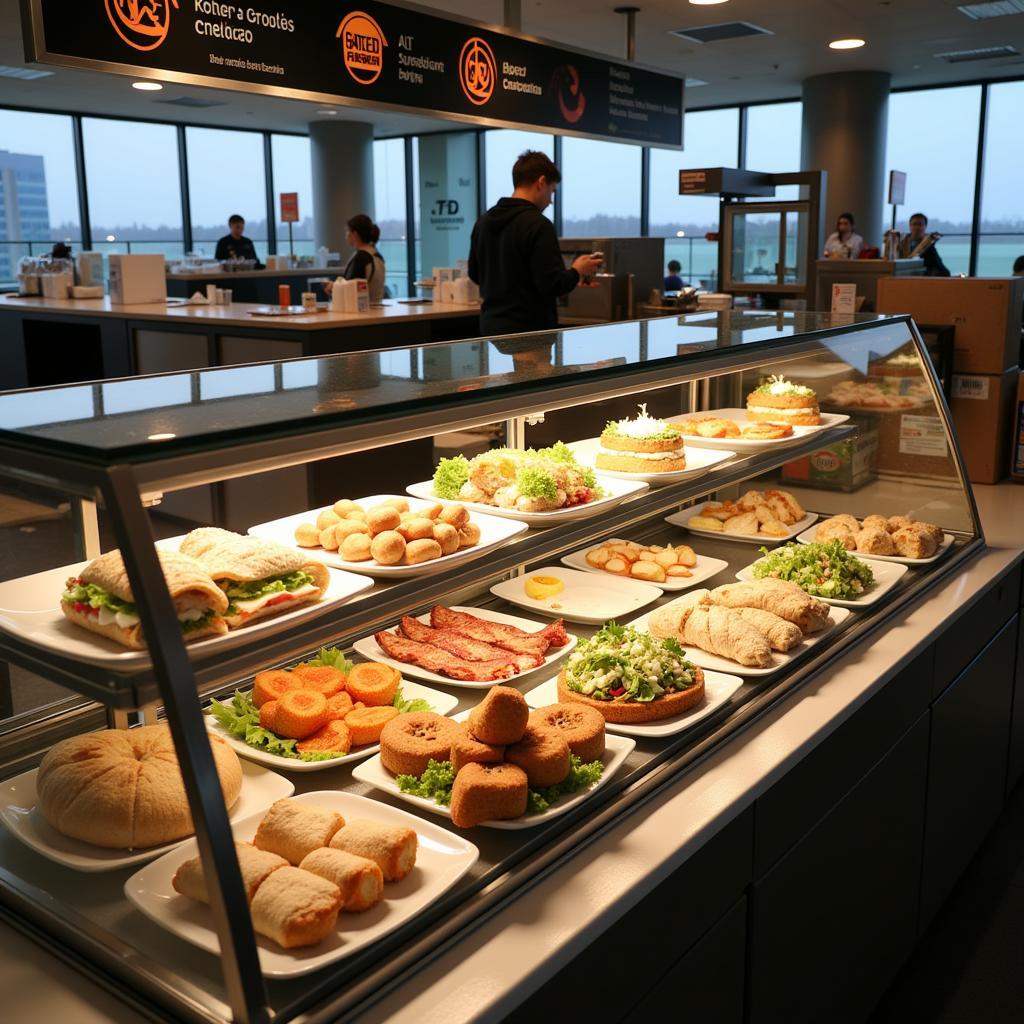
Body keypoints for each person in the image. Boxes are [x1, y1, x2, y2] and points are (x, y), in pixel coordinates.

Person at [468, 150, 602, 336]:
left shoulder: (483, 222)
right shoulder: (539, 225)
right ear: (541, 183)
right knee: (533, 368)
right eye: (552, 191)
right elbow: (551, 285)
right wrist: (577, 270)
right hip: (529, 332)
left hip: (491, 329)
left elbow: (475, 274)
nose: (550, 201)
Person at [899, 213, 950, 277]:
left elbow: (943, 271)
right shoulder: (901, 244)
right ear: (910, 226)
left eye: (920, 225)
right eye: (914, 224)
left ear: (925, 227)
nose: (917, 227)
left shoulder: (929, 248)